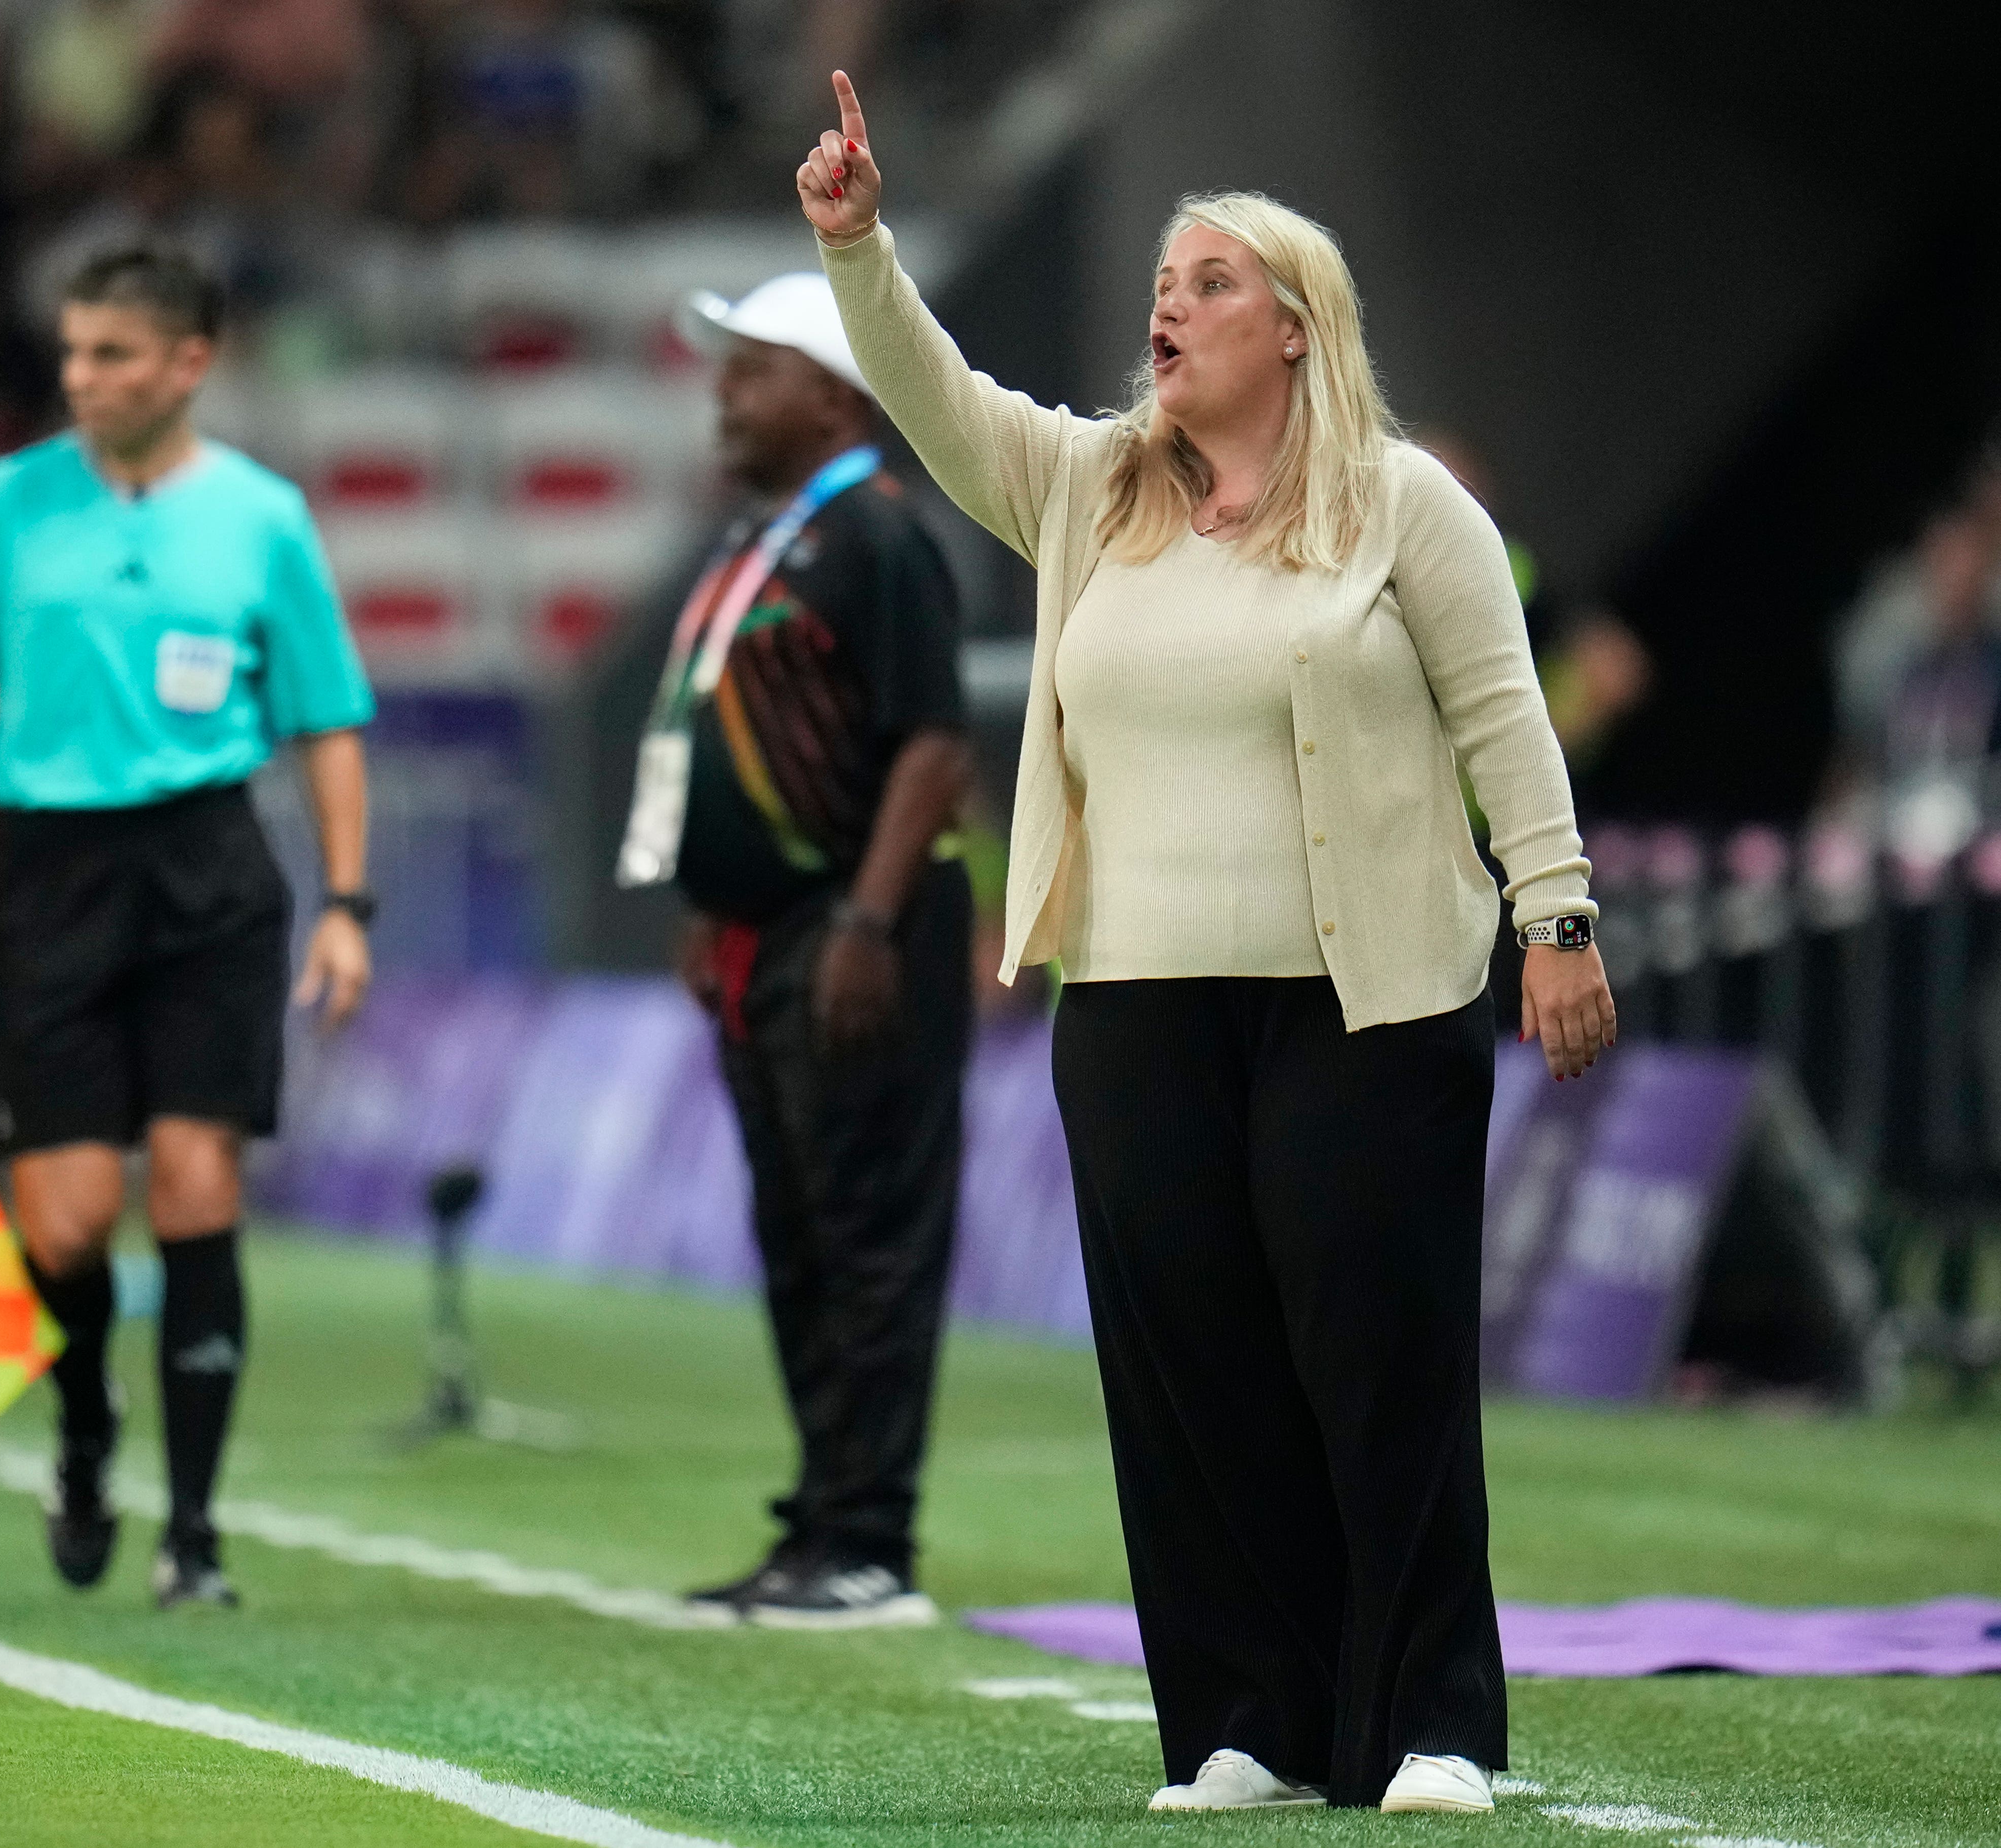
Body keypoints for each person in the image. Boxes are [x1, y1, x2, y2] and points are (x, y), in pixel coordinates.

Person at [796, 75, 1615, 1814]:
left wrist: (1553, 916)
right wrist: (856, 244)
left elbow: (1502, 719)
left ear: (1299, 330)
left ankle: (1429, 1726)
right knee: (1188, 1374)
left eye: (1212, 281)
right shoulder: (1091, 489)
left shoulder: (1405, 508)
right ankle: (1242, 1716)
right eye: (1163, 280)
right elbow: (936, 406)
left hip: (1366, 999)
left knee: (1376, 1357)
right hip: (1136, 1002)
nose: (1168, 302)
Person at [0, 243, 377, 1609]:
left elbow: (328, 723)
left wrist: (345, 903)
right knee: (67, 1225)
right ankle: (89, 1426)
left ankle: (197, 1533)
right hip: (45, 878)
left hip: (209, 869)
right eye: (72, 351)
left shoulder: (265, 520)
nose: (78, 377)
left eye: (108, 353)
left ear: (187, 363)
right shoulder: (9, 503)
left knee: (200, 1185)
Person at [617, 270, 972, 1626]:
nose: (723, 390)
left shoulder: (878, 541)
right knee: (799, 1235)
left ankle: (873, 1538)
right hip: (764, 938)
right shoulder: (756, 543)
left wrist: (869, 921)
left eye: (750, 367)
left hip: (853, 931)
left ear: (829, 391)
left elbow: (932, 743)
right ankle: (820, 1517)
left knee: (868, 1234)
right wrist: (710, 909)